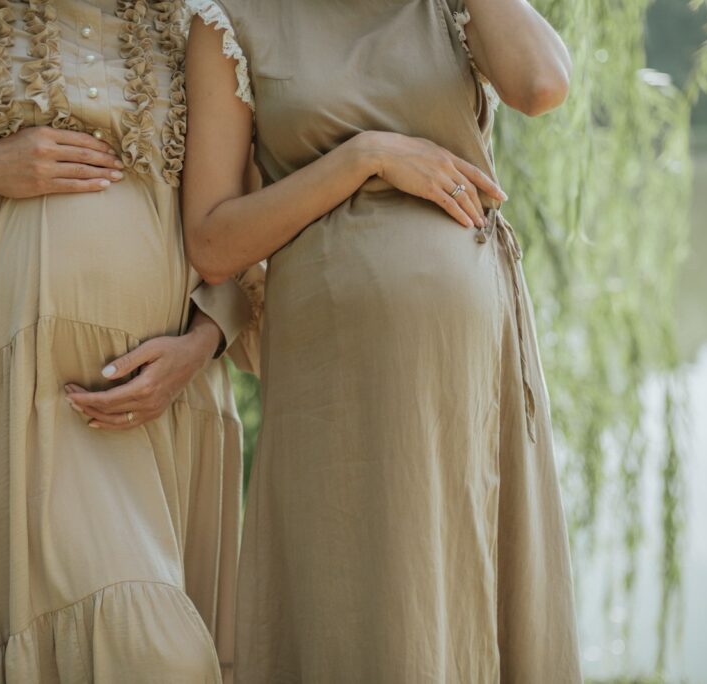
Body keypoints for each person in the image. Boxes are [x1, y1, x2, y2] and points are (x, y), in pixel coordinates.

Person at [0, 0, 260, 680]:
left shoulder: (198, 16)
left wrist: (204, 343)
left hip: (163, 407)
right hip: (6, 401)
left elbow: (242, 220)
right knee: (155, 659)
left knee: (161, 655)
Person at [182, 0, 582, 681]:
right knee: (357, 603)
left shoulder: (452, 9)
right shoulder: (229, 19)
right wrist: (366, 158)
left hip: (469, 369)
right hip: (336, 376)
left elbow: (541, 86)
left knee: (472, 593)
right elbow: (214, 241)